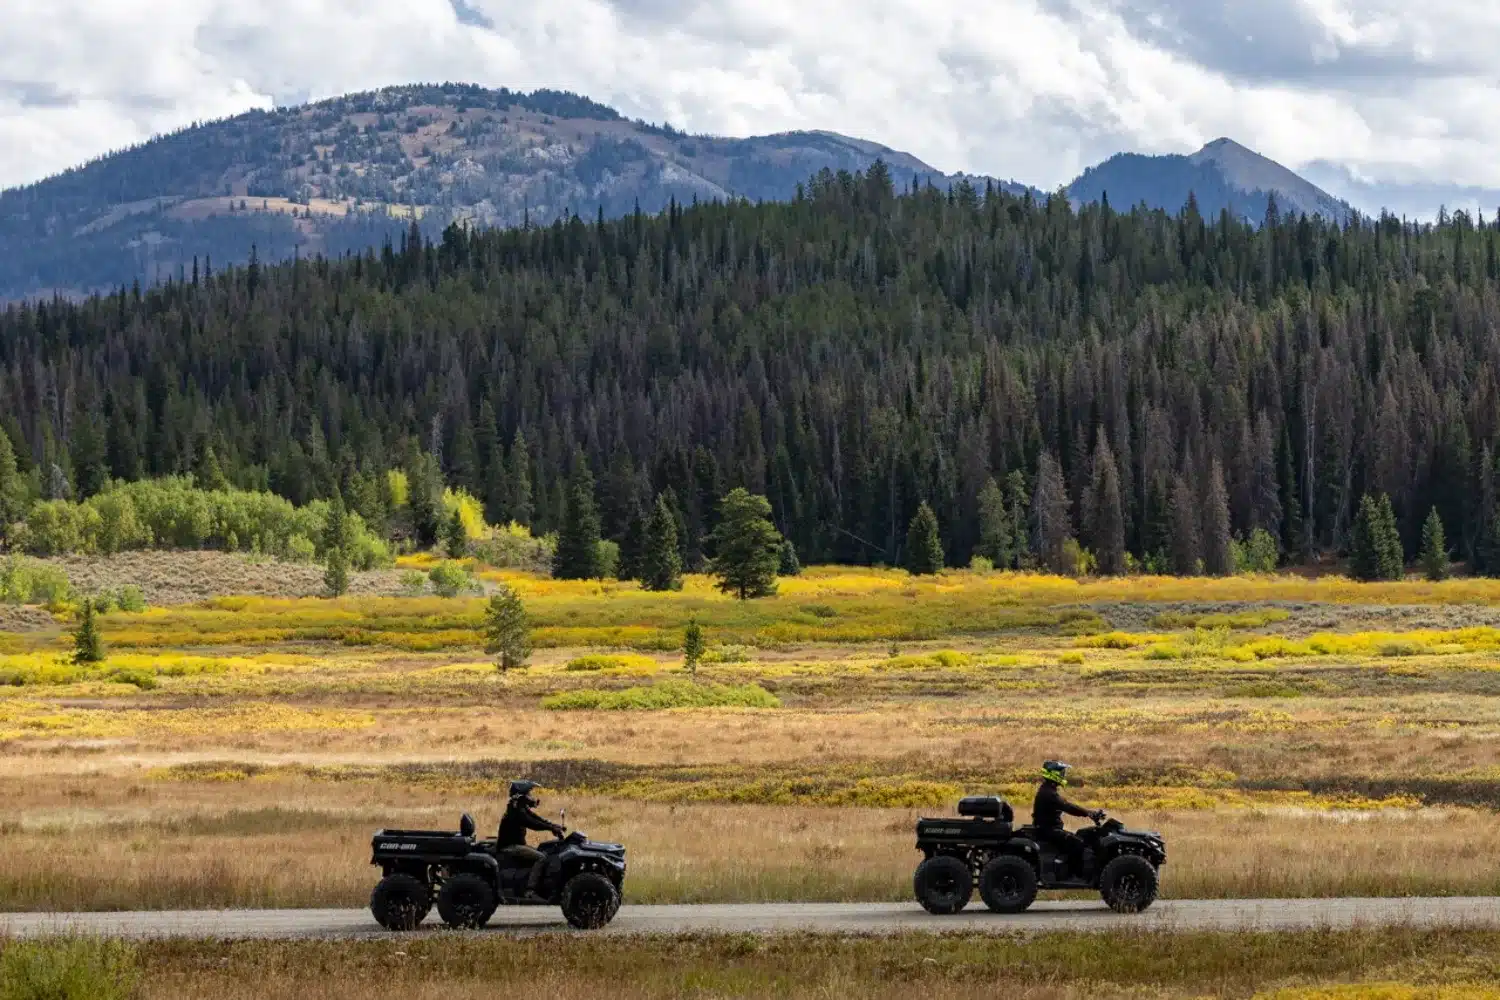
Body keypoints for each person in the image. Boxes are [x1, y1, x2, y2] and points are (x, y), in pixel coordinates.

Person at [1031, 760, 1105, 878]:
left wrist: (1088, 813)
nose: (1063, 775)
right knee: (1078, 843)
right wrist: (1088, 813)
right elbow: (1067, 807)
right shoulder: (1048, 793)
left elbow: (1066, 805)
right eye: (1061, 773)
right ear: (1054, 774)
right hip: (1049, 830)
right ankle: (1073, 875)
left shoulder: (1048, 789)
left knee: (1081, 834)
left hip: (1048, 829)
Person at [496, 780, 566, 897]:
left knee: (542, 851)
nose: (531, 797)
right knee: (541, 858)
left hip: (516, 844)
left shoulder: (519, 807)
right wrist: (550, 828)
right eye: (529, 794)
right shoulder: (516, 810)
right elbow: (531, 823)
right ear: (521, 795)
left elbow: (536, 818)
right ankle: (530, 891)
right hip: (510, 847)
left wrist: (553, 826)